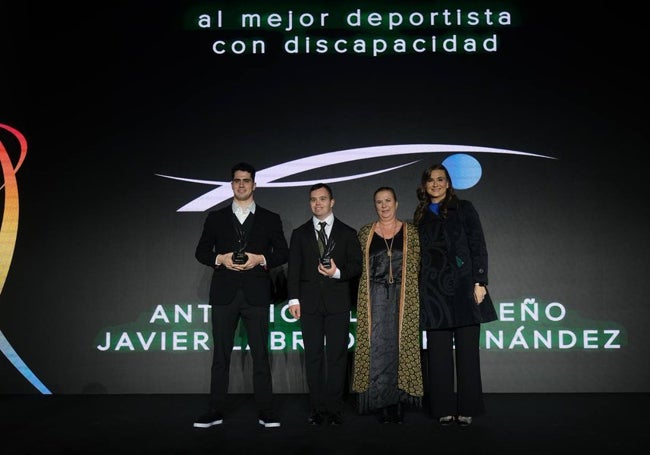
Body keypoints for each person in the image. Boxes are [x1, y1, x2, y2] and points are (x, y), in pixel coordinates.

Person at [193, 162, 289, 429]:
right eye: (237, 180)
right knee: (220, 357)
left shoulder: (271, 218)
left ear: (254, 184)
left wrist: (260, 258)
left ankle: (267, 410)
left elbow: (283, 253)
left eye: (246, 180)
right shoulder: (215, 218)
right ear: (232, 184)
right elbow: (201, 251)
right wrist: (220, 258)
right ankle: (215, 410)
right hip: (224, 294)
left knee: (260, 355)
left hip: (256, 294)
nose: (242, 184)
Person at [413, 163, 498, 427]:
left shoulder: (465, 208)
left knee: (468, 353)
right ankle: (443, 409)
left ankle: (468, 408)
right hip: (433, 292)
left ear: (448, 184)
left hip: (464, 288)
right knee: (437, 356)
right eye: (431, 180)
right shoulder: (420, 214)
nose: (435, 184)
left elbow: (477, 244)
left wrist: (480, 281)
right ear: (425, 186)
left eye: (440, 179)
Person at [287, 183, 363, 426]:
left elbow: (356, 267)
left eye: (322, 198)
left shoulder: (348, 233)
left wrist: (337, 272)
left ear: (332, 202)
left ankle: (335, 408)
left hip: (338, 303)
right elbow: (294, 270)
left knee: (338, 357)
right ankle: (318, 408)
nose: (317, 203)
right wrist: (294, 299)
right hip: (308, 304)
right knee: (313, 357)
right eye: (313, 199)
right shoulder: (299, 234)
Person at [351, 186, 423, 424]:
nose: (384, 205)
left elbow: (419, 267)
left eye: (388, 200)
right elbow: (356, 269)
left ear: (396, 203)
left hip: (404, 299)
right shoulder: (365, 233)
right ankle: (381, 403)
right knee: (378, 350)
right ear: (375, 205)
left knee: (400, 348)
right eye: (379, 202)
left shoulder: (412, 233)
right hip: (374, 298)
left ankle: (399, 402)